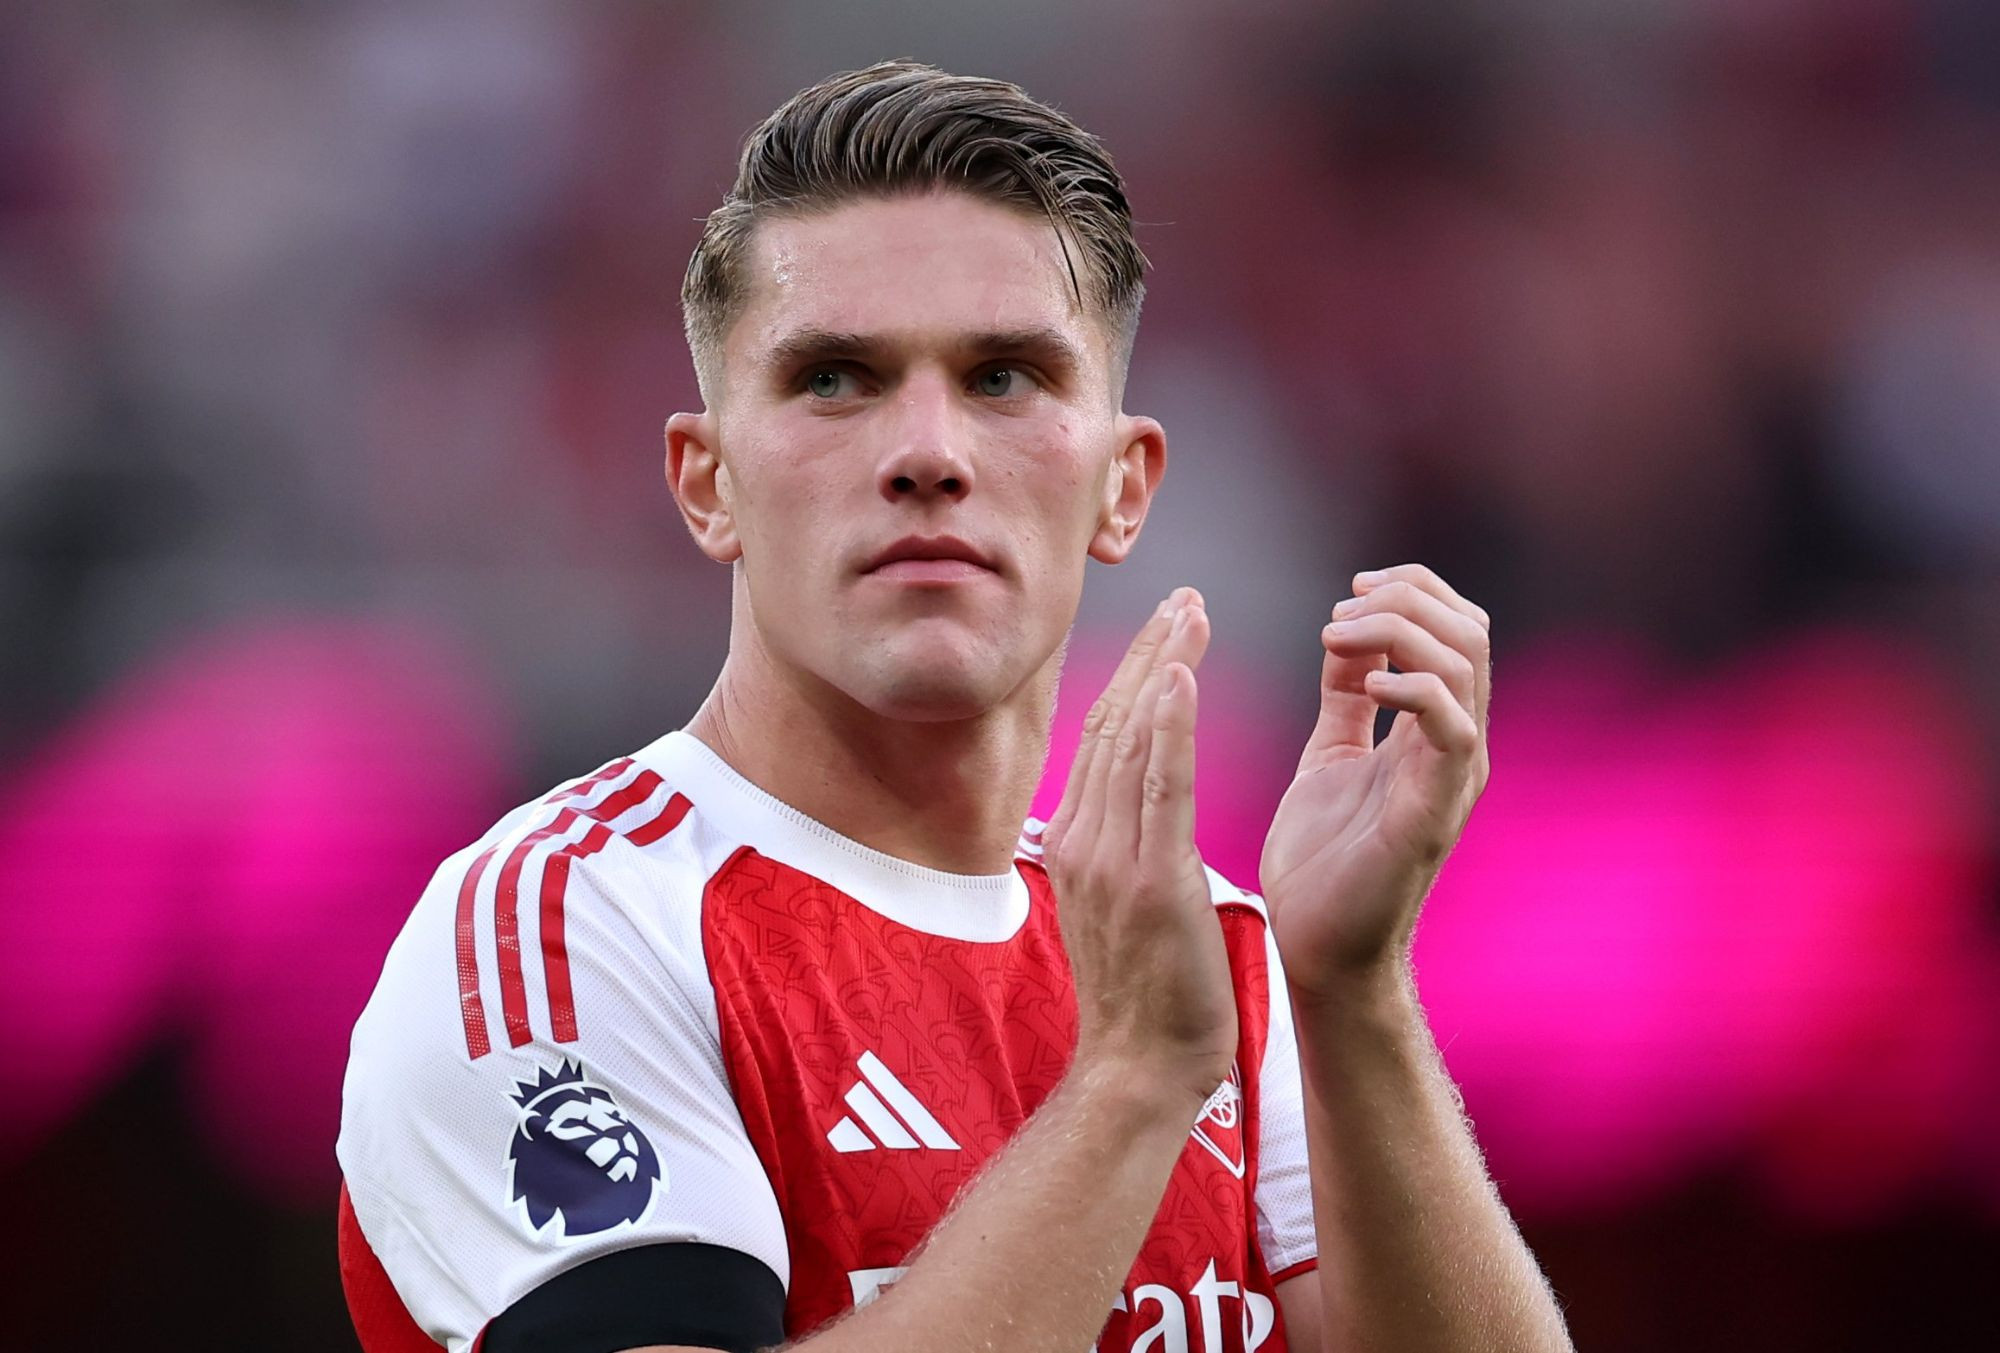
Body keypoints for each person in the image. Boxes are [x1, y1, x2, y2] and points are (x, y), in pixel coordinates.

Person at [336, 60, 1572, 1353]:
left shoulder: (1224, 964)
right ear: (707, 483)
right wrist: (1130, 1083)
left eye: (1003, 378)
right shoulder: (568, 927)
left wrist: (1355, 990)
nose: (927, 452)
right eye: (834, 378)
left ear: (1123, 488)